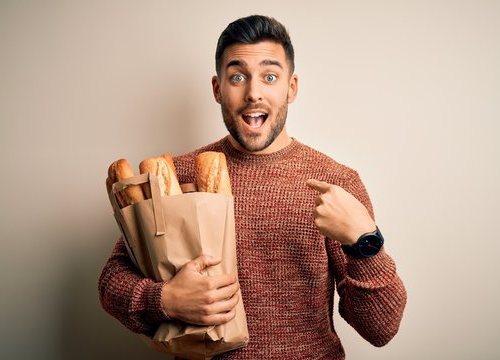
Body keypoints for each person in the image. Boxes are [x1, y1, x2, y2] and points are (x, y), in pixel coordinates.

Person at [99, 15, 407, 359]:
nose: (253, 93)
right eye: (238, 77)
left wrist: (364, 243)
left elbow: (381, 329)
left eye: (270, 76)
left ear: (291, 88)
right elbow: (112, 279)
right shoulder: (178, 174)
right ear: (218, 89)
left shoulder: (336, 184)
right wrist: (165, 300)